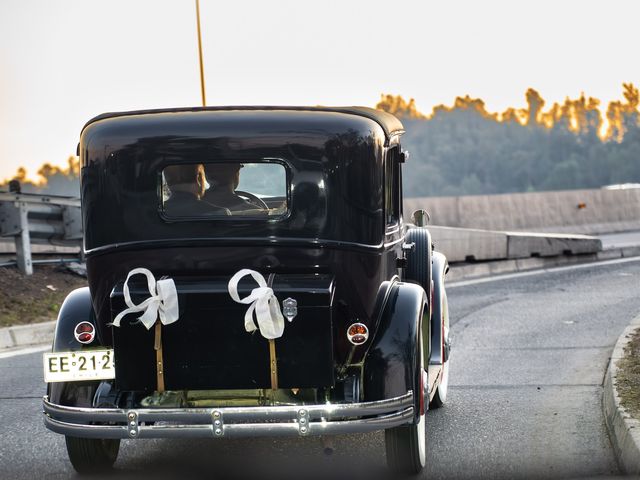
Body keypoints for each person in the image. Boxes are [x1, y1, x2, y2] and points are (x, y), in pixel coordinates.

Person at [163, 164, 229, 216]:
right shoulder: (220, 213)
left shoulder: (159, 211)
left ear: (168, 181)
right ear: (199, 178)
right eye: (204, 176)